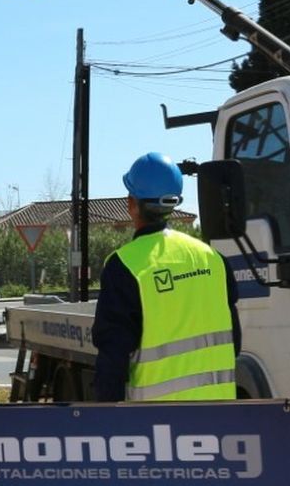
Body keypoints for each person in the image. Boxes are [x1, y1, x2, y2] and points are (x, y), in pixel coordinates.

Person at [92, 152, 241, 402]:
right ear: (175, 202)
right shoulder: (213, 259)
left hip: (155, 419)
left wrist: (106, 414)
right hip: (219, 413)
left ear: (131, 204)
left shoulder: (124, 266)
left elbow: (113, 357)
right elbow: (234, 343)